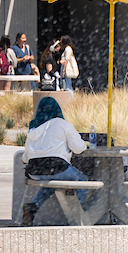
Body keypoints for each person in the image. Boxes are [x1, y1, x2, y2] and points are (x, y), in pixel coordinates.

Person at [20, 96, 94, 226]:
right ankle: (77, 217)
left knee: (51, 183)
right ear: (57, 109)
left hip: (34, 171)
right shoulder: (62, 124)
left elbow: (24, 159)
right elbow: (78, 149)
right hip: (56, 167)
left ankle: (33, 207)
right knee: (82, 181)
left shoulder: (33, 128)